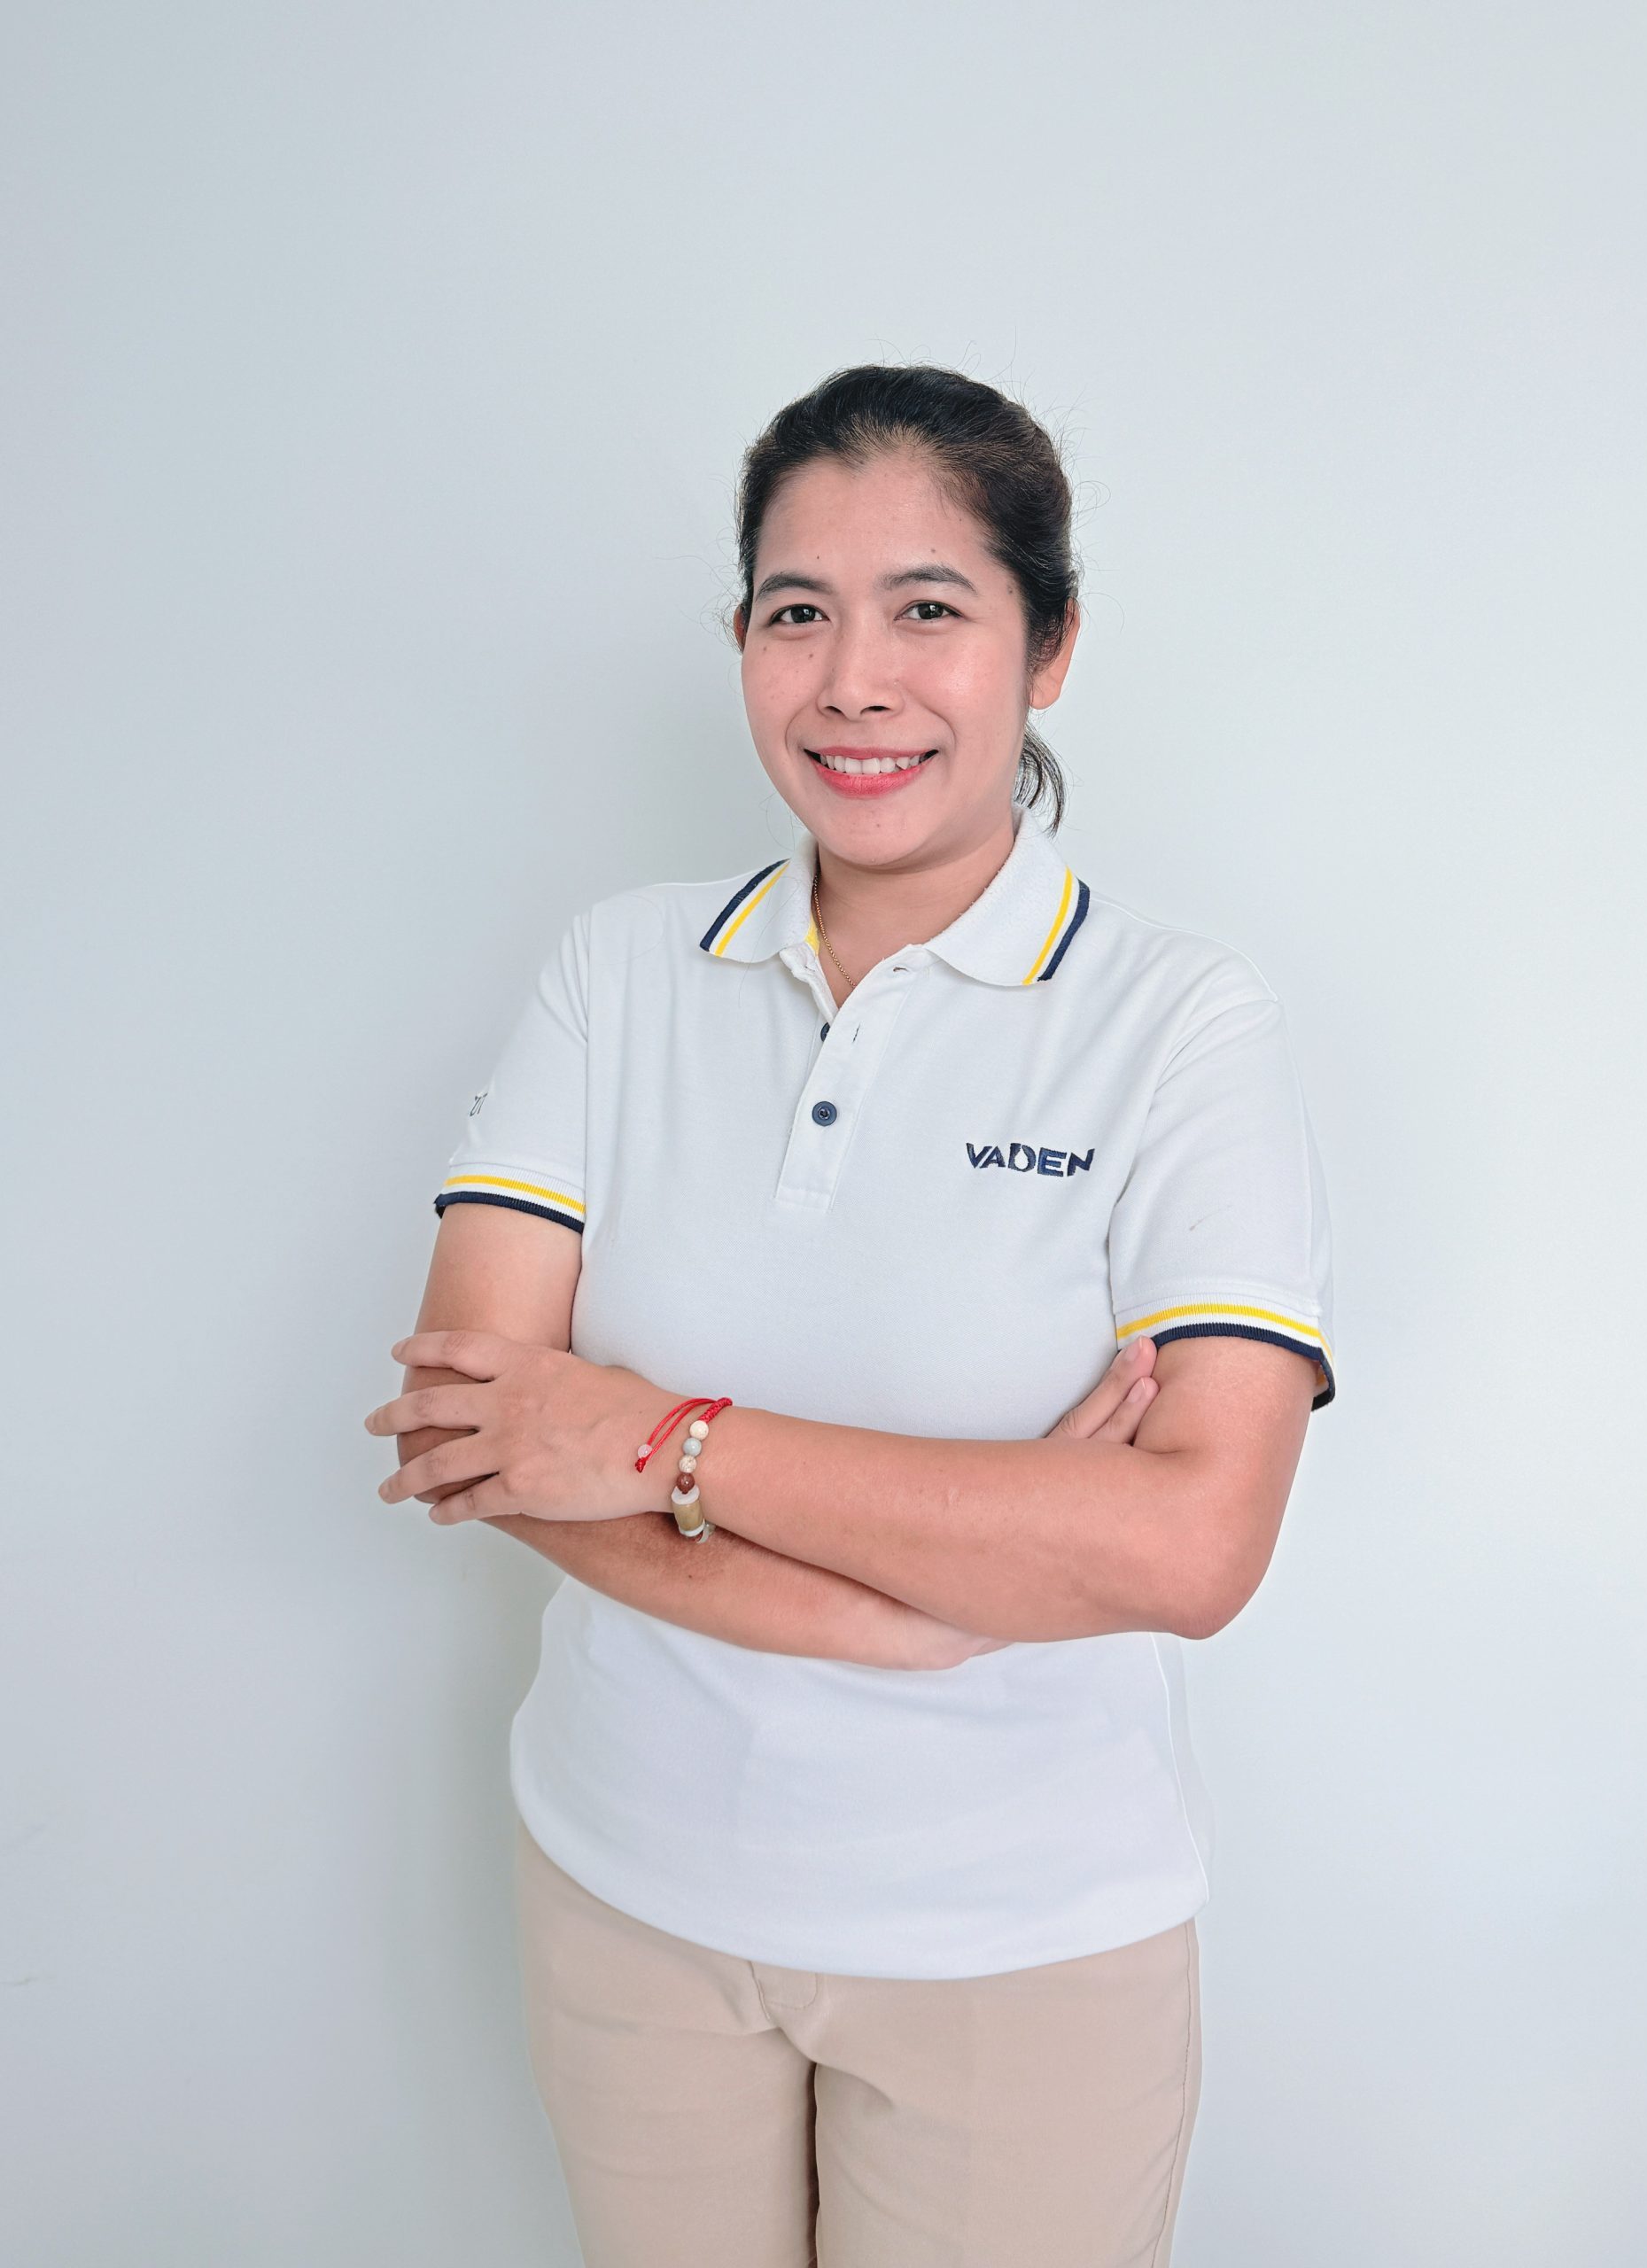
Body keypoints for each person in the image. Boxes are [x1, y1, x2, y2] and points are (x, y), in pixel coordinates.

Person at [364, 363, 1337, 2267]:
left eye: (930, 608)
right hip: (625, 1889)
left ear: (1051, 646)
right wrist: (909, 1597)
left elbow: (1193, 1542)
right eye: (796, 611)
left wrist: (654, 1439)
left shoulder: (1180, 1023)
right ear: (741, 642)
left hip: (1017, 1945)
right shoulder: (619, 968)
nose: (852, 681)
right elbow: (475, 1426)